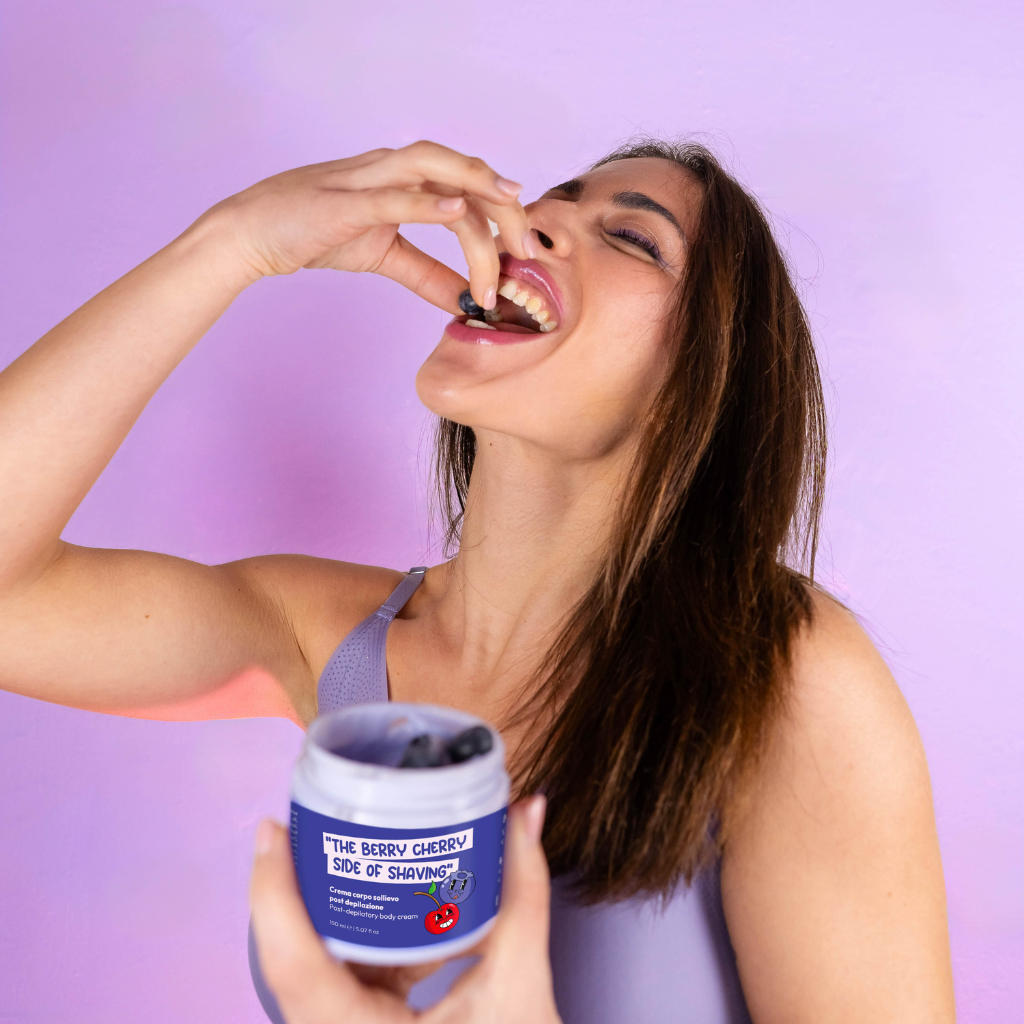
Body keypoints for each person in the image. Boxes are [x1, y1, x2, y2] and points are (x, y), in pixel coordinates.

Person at [0, 140, 955, 1022]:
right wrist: (235, 243)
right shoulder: (324, 639)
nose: (538, 221)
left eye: (632, 238)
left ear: (705, 380)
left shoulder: (784, 674)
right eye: (551, 202)